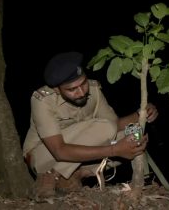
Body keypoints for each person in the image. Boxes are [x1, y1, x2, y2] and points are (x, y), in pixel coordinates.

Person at [23, 51, 159, 201]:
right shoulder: (42, 100)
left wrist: (140, 114)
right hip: (44, 156)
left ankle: (75, 174)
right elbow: (59, 151)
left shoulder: (94, 90)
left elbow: (115, 126)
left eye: (83, 83)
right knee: (109, 133)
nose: (81, 92)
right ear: (57, 89)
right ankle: (49, 177)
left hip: (73, 158)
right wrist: (115, 150)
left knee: (131, 136)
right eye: (72, 89)